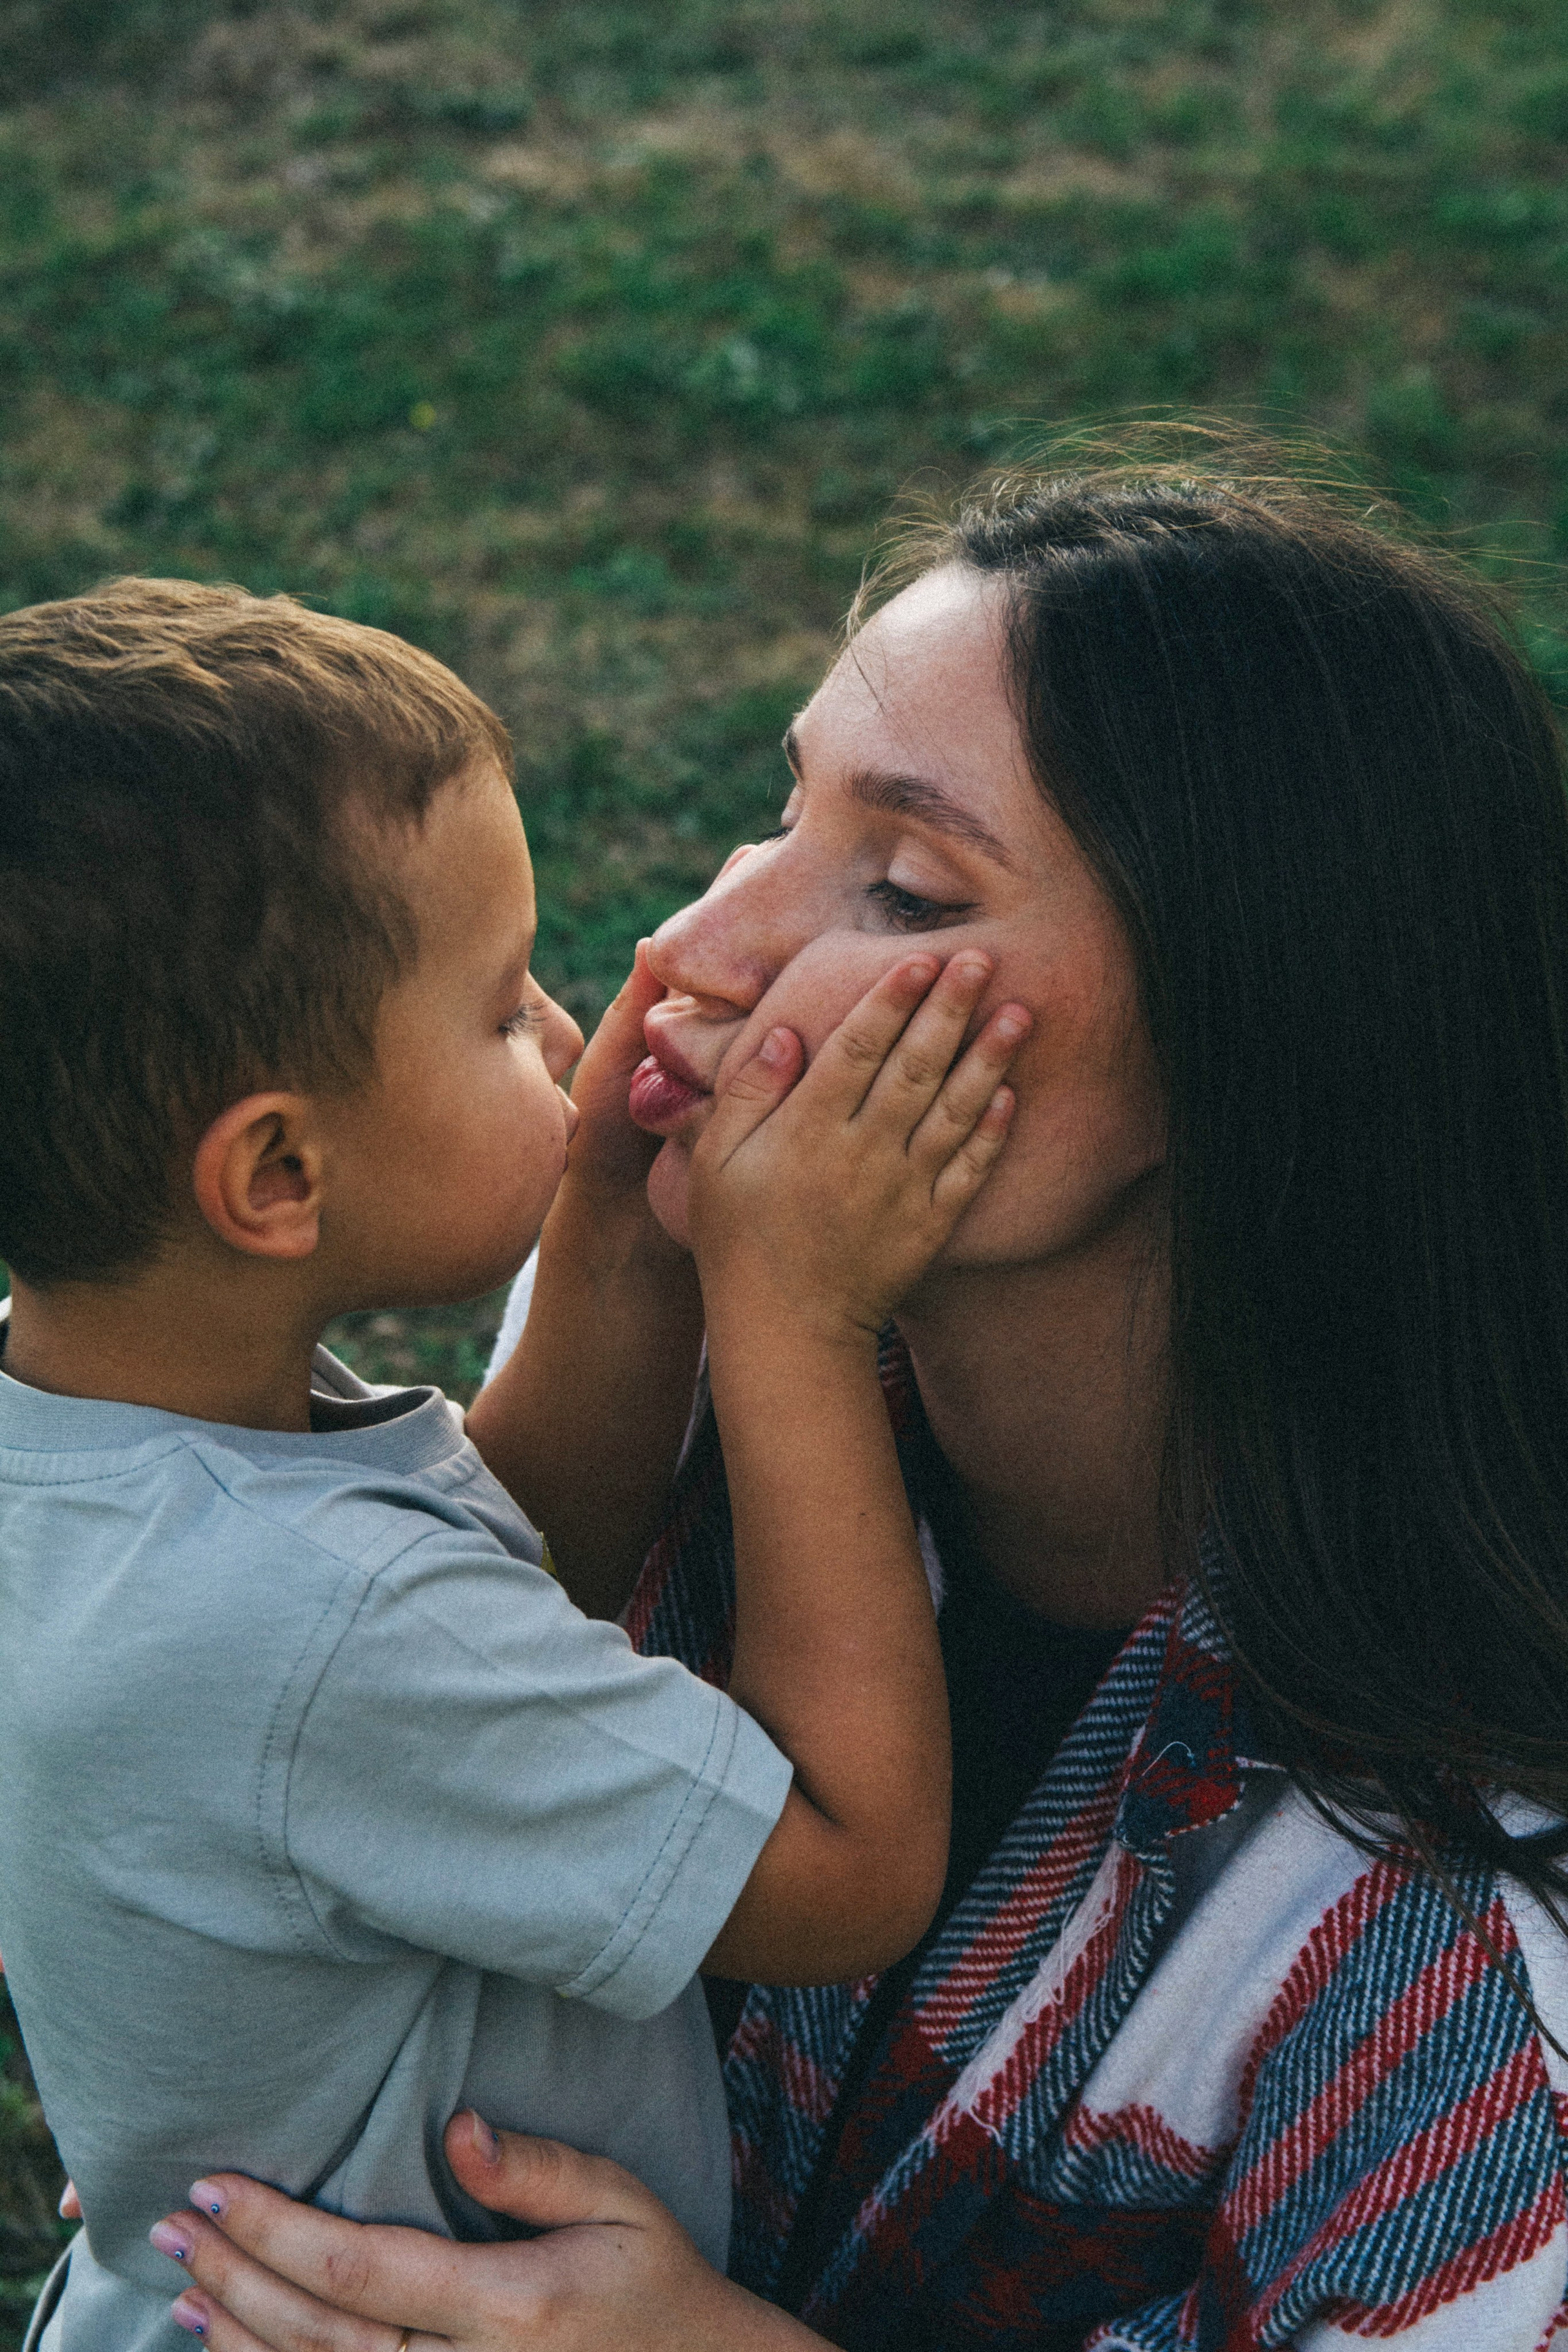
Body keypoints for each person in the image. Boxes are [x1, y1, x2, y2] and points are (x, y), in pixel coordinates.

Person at [148, 442, 1568, 2351]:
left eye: (901, 887)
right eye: (782, 807)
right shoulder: (672, 1378)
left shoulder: (1470, 1929)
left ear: (1251, 1042)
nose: (710, 947)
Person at [0, 578, 1035, 2350]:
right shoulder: (311, 1632)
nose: (566, 1030)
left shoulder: (115, 1459)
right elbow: (848, 1872)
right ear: (275, 1180)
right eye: (497, 1012)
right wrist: (789, 1319)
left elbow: (502, 1579)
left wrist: (615, 1232)